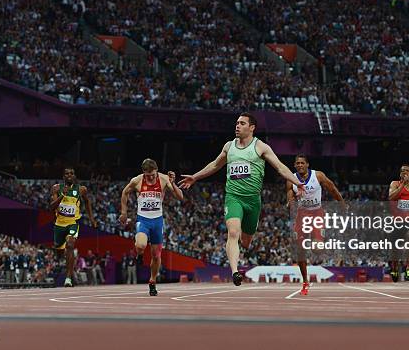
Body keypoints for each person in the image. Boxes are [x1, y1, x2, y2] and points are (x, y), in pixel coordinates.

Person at [179, 112, 305, 286]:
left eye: (242, 123)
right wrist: (195, 177)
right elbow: (215, 165)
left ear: (251, 128)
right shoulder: (229, 146)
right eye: (237, 123)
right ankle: (235, 272)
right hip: (234, 197)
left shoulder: (260, 147)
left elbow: (280, 167)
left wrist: (297, 182)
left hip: (253, 201)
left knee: (246, 242)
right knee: (232, 233)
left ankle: (241, 247)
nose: (237, 126)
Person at [119, 159, 184, 296]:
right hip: (143, 220)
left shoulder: (164, 179)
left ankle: (152, 281)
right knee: (141, 245)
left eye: (153, 175)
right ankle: (140, 254)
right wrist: (124, 212)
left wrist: (172, 183)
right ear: (143, 173)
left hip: (157, 221)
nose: (150, 178)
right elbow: (125, 192)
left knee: (156, 255)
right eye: (147, 176)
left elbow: (180, 197)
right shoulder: (137, 181)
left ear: (157, 171)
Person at [286, 154, 347, 295]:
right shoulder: (290, 180)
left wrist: (342, 203)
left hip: (317, 213)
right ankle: (305, 282)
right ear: (295, 166)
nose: (300, 165)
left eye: (302, 163)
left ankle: (317, 240)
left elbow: (332, 188)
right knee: (300, 251)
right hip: (301, 215)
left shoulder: (318, 176)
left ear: (307, 164)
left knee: (317, 250)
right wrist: (291, 202)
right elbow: (290, 198)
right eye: (297, 163)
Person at [50, 168, 98, 287]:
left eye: (71, 173)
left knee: (70, 245)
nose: (69, 175)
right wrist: (62, 195)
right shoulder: (56, 188)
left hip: (73, 222)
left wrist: (91, 218)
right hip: (59, 224)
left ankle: (68, 278)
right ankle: (62, 258)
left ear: (74, 176)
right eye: (67, 174)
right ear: (63, 176)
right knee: (60, 251)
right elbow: (51, 207)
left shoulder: (81, 189)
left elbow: (87, 202)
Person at [388, 164, 409, 282]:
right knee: (395, 250)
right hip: (396, 221)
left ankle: (408, 267)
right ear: (400, 174)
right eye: (402, 171)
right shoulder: (394, 184)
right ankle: (394, 267)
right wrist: (402, 185)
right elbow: (391, 197)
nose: (405, 173)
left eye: (407, 171)